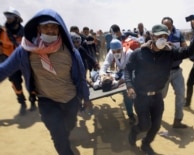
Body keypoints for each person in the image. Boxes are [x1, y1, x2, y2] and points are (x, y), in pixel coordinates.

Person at [0, 9, 91, 155]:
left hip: (70, 100)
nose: (50, 30)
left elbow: (80, 78)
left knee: (68, 126)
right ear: (38, 28)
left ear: (59, 29)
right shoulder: (25, 50)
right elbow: (4, 69)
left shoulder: (71, 52)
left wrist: (86, 98)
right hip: (46, 101)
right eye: (45, 27)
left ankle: (65, 135)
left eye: (54, 27)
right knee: (58, 137)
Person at [125, 15, 194, 154]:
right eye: (159, 36)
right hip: (141, 97)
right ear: (152, 36)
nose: (163, 39)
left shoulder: (170, 52)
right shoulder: (139, 53)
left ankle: (146, 144)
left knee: (156, 126)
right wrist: (129, 86)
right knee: (145, 125)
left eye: (165, 36)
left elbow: (188, 51)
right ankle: (134, 132)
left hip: (157, 96)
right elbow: (127, 69)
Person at [0, 6, 36, 114]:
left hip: (25, 61)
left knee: (31, 81)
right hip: (10, 62)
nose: (8, 19)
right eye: (7, 17)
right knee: (16, 84)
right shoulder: (2, 32)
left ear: (17, 19)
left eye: (10, 17)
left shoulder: (26, 32)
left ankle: (33, 100)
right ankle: (22, 103)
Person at [100, 38, 136, 124]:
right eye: (114, 51)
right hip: (120, 72)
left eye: (118, 51)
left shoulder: (129, 53)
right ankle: (131, 114)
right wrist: (102, 74)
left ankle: (135, 114)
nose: (116, 53)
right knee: (127, 96)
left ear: (121, 48)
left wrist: (119, 82)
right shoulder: (111, 52)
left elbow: (128, 71)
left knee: (130, 95)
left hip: (131, 73)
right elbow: (106, 63)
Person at [161, 16, 188, 128]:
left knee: (181, 94)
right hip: (163, 72)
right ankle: (154, 117)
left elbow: (185, 47)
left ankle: (177, 120)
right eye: (164, 26)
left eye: (168, 26)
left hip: (177, 70)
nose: (166, 28)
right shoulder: (158, 35)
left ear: (172, 25)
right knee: (159, 97)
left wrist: (178, 49)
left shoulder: (178, 34)